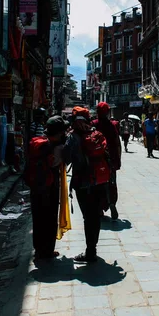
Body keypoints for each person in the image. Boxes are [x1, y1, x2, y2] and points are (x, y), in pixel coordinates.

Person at [64, 107, 110, 262]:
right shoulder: (94, 134)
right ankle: (92, 248)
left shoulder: (73, 136)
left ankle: (90, 252)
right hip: (99, 181)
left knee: (87, 217)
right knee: (95, 216)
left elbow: (66, 159)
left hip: (83, 183)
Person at [25, 116, 68, 260]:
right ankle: (48, 250)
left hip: (36, 186)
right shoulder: (56, 147)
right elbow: (58, 164)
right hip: (50, 186)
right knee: (50, 218)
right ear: (58, 133)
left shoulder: (37, 143)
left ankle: (39, 250)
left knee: (38, 218)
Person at [92, 102, 121, 220]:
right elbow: (117, 143)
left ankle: (99, 208)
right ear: (108, 112)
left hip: (96, 159)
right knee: (111, 182)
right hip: (110, 159)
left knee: (97, 183)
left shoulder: (93, 124)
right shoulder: (112, 125)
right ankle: (112, 202)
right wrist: (118, 159)